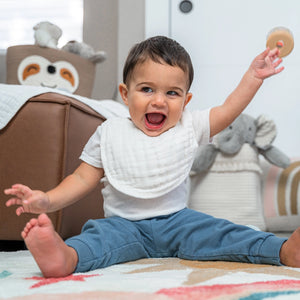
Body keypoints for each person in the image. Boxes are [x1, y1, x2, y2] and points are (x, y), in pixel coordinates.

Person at [4, 36, 300, 278]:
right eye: (146, 89)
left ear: (186, 101)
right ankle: (65, 257)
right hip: (123, 225)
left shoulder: (189, 126)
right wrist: (48, 201)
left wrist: (253, 77)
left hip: (179, 223)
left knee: (223, 232)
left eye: (172, 93)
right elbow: (82, 177)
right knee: (96, 237)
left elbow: (227, 109)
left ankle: (283, 250)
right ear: (125, 93)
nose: (158, 100)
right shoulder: (109, 132)